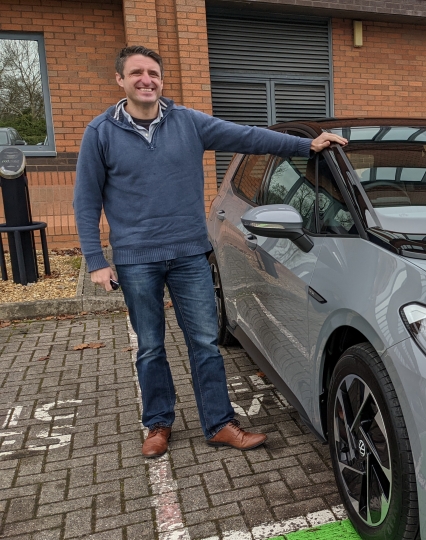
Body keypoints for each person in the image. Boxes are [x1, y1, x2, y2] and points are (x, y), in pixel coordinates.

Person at [73, 45, 347, 458]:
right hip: (136, 258)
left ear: (161, 80)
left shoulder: (188, 122)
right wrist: (95, 260)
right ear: (121, 80)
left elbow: (248, 136)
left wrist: (304, 147)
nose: (146, 80)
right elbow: (86, 199)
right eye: (137, 74)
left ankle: (219, 423)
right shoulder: (100, 132)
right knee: (150, 346)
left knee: (204, 342)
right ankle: (158, 424)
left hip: (188, 256)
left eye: (153, 73)